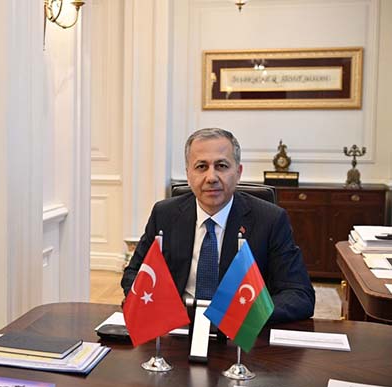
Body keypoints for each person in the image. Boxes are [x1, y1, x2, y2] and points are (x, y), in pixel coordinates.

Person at [121, 128, 315, 323]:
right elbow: (134, 274)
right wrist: (158, 307)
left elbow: (299, 294)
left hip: (241, 329)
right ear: (188, 174)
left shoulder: (270, 220)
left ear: (238, 172)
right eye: (201, 166)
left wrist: (246, 315)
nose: (211, 177)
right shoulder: (164, 214)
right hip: (177, 325)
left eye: (221, 166)